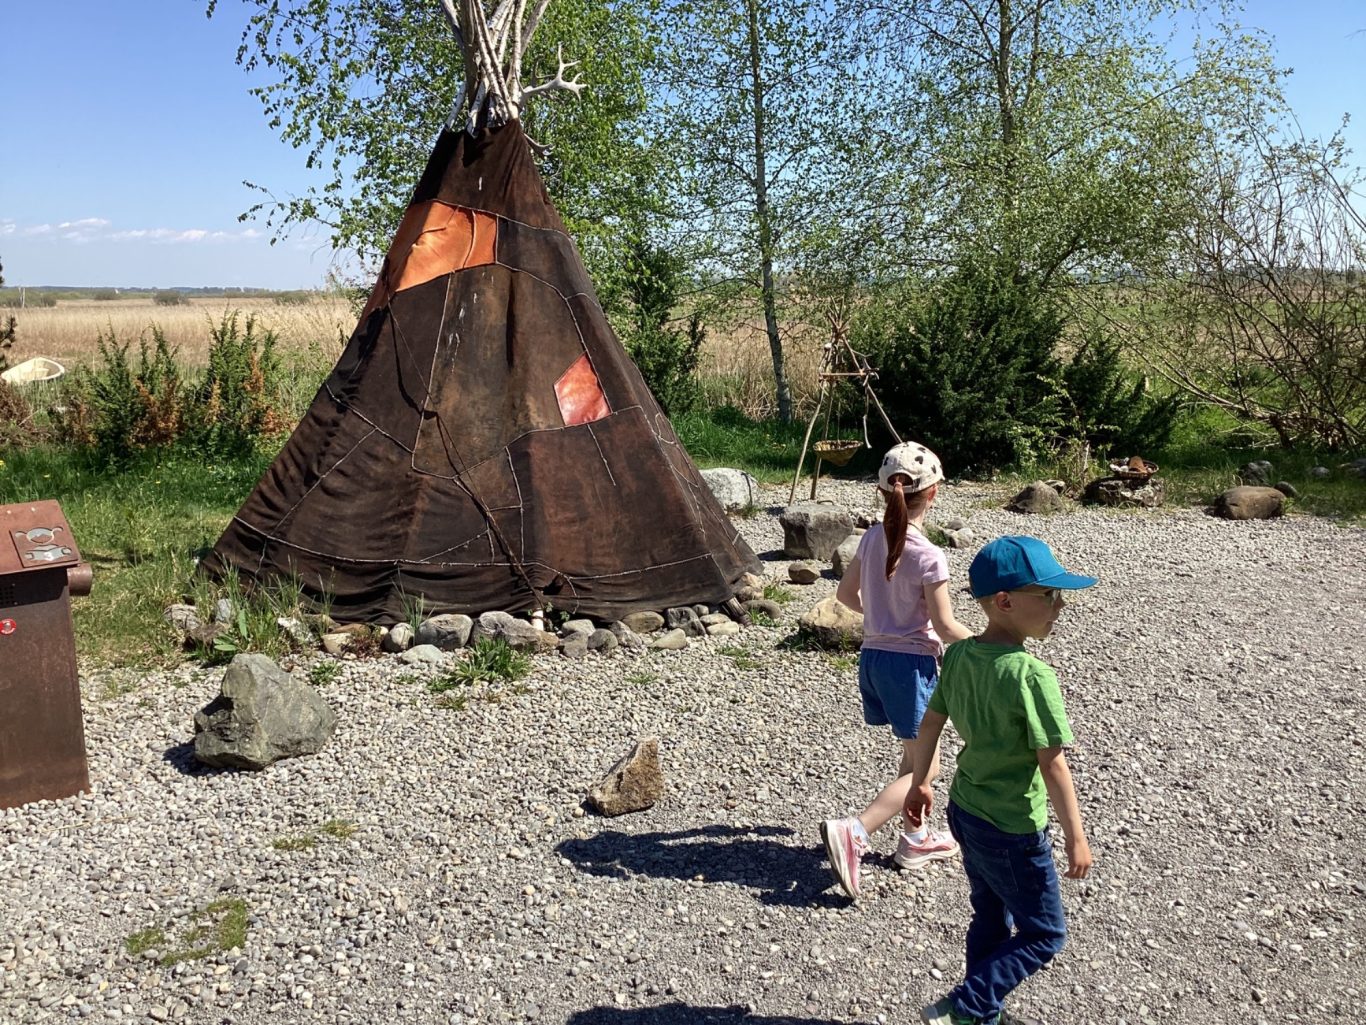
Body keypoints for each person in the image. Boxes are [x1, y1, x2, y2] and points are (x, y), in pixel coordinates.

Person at [908, 535, 1096, 1025]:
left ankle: (981, 1014)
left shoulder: (959, 656)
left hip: (966, 810)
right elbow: (1053, 765)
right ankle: (967, 1007)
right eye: (1049, 595)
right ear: (1005, 602)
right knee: (1044, 933)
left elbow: (931, 723)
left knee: (990, 917)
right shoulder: (1031, 676)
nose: (1060, 605)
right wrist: (1076, 837)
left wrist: (920, 782)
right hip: (1013, 826)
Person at [820, 441, 974, 900]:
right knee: (928, 767)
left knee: (914, 756)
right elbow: (945, 626)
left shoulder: (871, 538)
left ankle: (915, 839)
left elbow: (845, 597)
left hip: (873, 660)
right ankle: (856, 830)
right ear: (935, 492)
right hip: (910, 666)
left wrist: (882, 621)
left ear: (884, 492)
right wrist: (989, 645)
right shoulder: (929, 555)